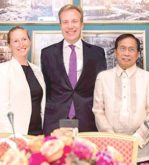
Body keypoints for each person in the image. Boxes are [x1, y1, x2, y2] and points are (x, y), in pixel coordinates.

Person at [92, 34, 149, 164]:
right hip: (110, 149)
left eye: (131, 49)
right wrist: (112, 139)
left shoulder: (148, 78)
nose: (126, 53)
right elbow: (98, 110)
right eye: (122, 49)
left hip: (142, 149)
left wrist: (137, 139)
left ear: (138, 54)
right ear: (115, 52)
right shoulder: (103, 77)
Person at [41, 4, 107, 135]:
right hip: (55, 121)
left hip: (88, 121)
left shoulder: (97, 53)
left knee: (86, 155)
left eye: (74, 21)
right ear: (60, 25)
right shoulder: (47, 53)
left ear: (82, 24)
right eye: (65, 22)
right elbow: (46, 88)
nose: (70, 26)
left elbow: (101, 89)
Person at [0, 26, 45, 136]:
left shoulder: (37, 71)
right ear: (9, 45)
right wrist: (10, 137)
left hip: (39, 134)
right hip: (17, 135)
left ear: (29, 41)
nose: (21, 44)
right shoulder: (2, 70)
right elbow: (2, 109)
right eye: (16, 41)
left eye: (24, 39)